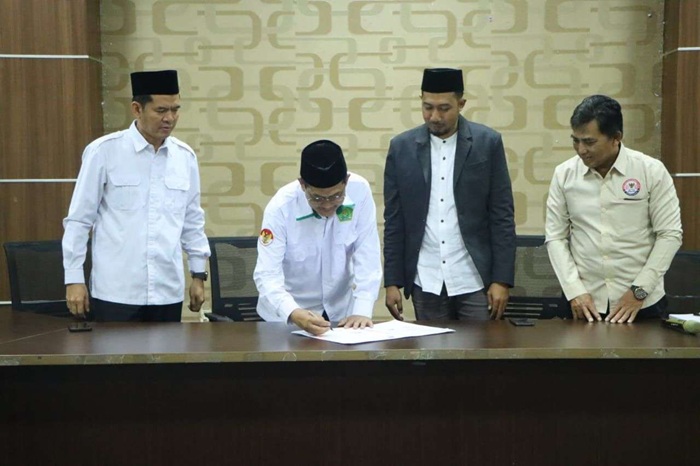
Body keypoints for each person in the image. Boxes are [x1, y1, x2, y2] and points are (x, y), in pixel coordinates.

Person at [62, 69, 211, 322]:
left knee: (167, 350)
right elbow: (79, 220)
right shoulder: (103, 152)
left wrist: (198, 275)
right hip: (116, 292)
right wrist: (74, 278)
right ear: (137, 109)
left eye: (175, 110)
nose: (169, 118)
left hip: (166, 291)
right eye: (161, 110)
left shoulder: (184, 157)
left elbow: (192, 221)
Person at [383, 68, 516, 321]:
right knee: (431, 346)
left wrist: (501, 280)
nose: (434, 116)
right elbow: (394, 220)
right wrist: (392, 282)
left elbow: (502, 216)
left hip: (474, 277)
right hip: (426, 277)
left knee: (482, 346)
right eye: (427, 107)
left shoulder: (487, 143)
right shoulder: (401, 148)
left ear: (461, 104)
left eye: (444, 108)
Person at [545, 94, 682, 323]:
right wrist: (574, 290)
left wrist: (639, 291)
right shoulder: (564, 174)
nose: (581, 150)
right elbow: (555, 237)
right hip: (584, 303)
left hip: (642, 302)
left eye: (589, 142)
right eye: (575, 141)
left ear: (616, 137)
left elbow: (670, 234)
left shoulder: (651, 171)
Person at [254, 140, 382, 335]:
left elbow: (367, 253)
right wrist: (293, 312)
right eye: (317, 198)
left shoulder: (360, 191)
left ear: (346, 181)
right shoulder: (281, 207)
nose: (328, 205)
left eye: (336, 196)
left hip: (340, 313)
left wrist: (362, 310)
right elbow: (267, 274)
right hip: (287, 315)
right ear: (302, 185)